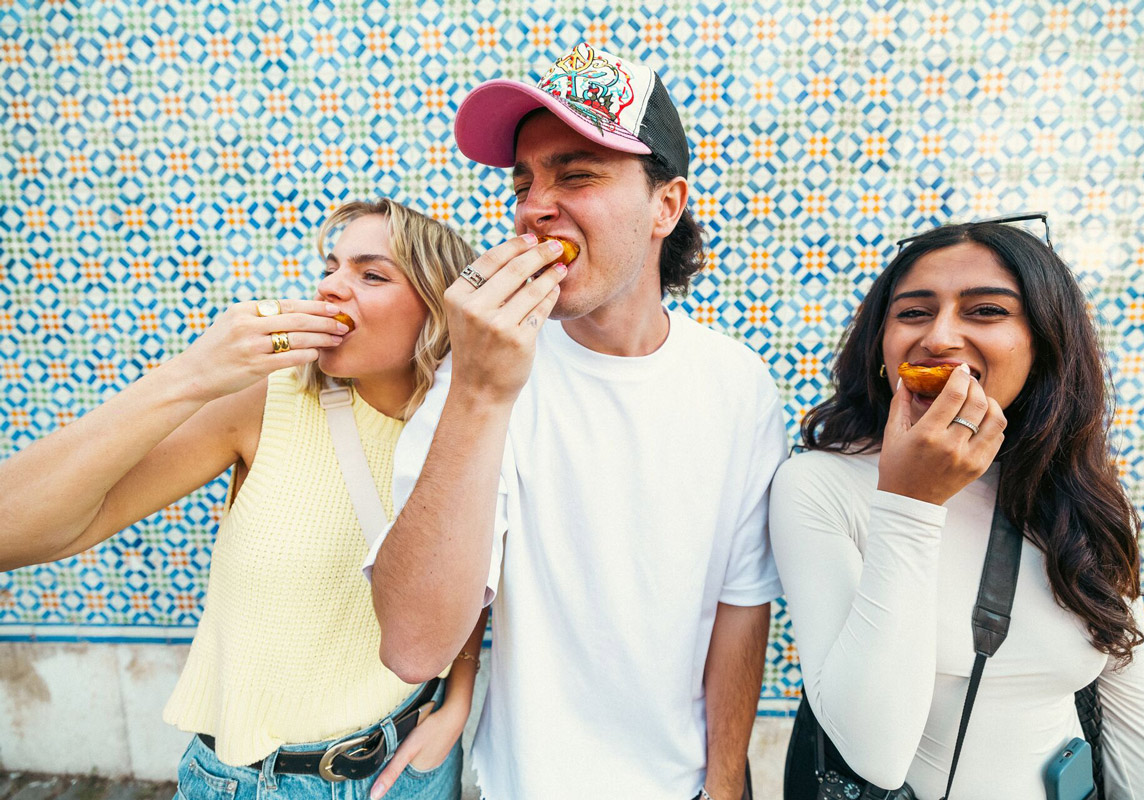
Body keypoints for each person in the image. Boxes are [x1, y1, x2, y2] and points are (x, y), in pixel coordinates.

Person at [364, 43, 787, 799]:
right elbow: (413, 645)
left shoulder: (738, 384)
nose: (533, 207)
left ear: (667, 205)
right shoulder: (480, 376)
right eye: (523, 182)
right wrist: (480, 394)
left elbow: (740, 604)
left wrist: (726, 785)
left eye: (577, 174)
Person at [0, 199, 486, 800]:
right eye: (330, 267)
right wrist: (190, 374)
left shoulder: (471, 429)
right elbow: (13, 531)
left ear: (441, 310)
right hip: (259, 784)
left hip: (413, 771)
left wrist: (458, 698)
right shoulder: (267, 402)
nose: (332, 286)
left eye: (371, 274)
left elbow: (474, 575)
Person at [769, 218, 1144, 799]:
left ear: (1045, 342)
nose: (939, 337)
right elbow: (876, 755)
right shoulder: (818, 486)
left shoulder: (1082, 497)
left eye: (986, 311)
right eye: (913, 312)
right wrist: (910, 501)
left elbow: (1132, 715)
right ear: (880, 345)